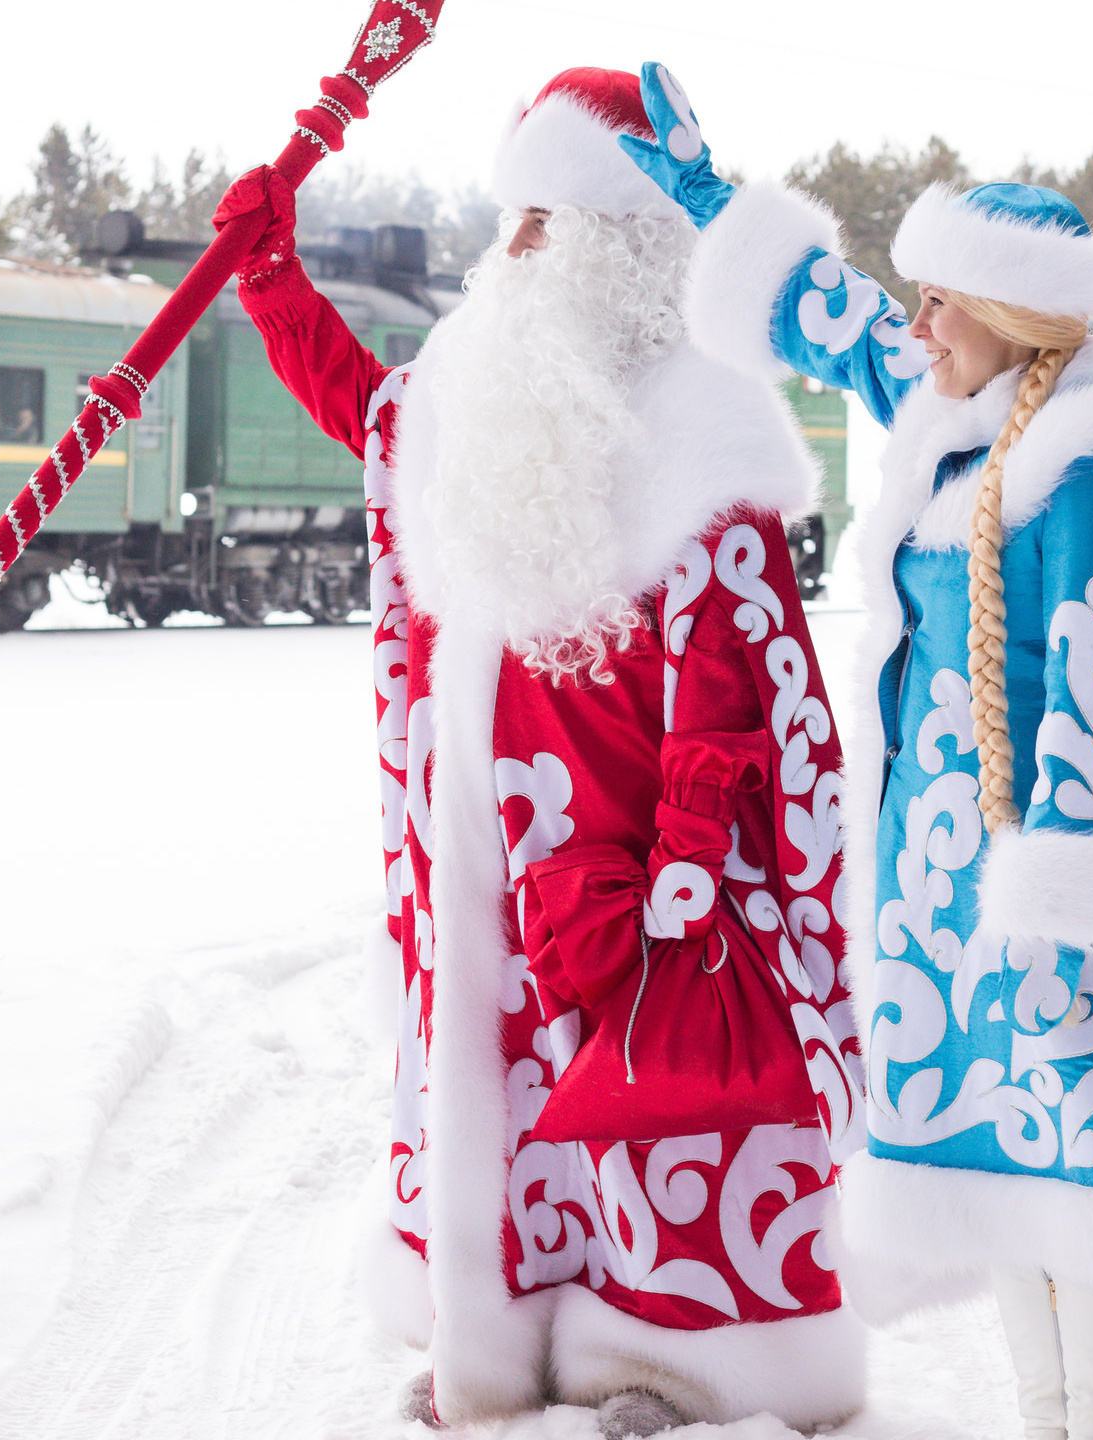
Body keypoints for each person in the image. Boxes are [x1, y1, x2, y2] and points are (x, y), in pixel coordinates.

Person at [213, 66, 868, 1437]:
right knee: (502, 1095)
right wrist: (271, 283)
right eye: (510, 217)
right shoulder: (481, 387)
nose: (507, 251)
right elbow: (368, 412)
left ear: (620, 248)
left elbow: (741, 674)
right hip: (489, 846)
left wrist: (687, 860)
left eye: (541, 223)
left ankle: (676, 1366)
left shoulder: (702, 425)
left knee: (650, 1102)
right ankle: (503, 1344)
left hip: (636, 859)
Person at [621, 63, 1093, 1440]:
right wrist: (705, 192)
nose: (915, 323)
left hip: (1042, 883)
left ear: (1010, 316)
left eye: (939, 300)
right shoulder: (954, 413)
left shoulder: (1087, 459)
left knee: (1084, 1158)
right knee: (993, 1167)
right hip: (935, 883)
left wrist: (1066, 899)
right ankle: (1042, 1420)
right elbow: (827, 315)